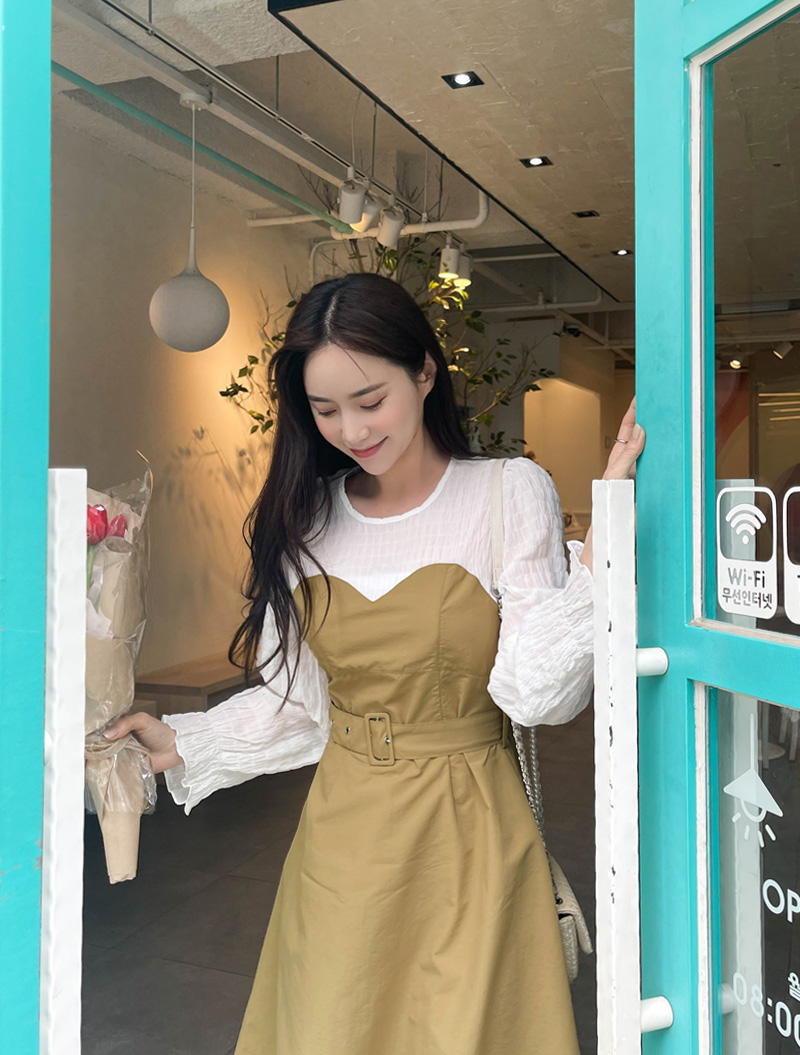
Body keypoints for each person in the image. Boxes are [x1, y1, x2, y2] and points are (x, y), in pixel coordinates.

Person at [105, 272, 645, 1054]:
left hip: (470, 834)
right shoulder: (305, 519)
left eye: (369, 400)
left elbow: (537, 693)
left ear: (424, 372)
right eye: (325, 409)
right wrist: (183, 739)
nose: (351, 429)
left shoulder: (506, 491)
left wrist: (602, 548)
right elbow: (300, 708)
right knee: (337, 1023)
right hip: (345, 837)